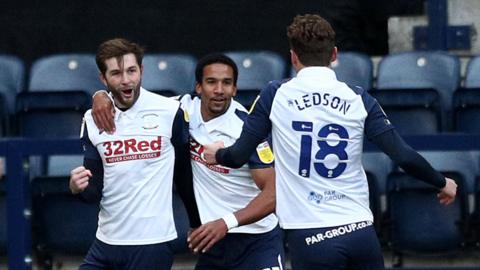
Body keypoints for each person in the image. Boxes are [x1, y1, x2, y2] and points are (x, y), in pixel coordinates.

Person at [201, 14, 458, 270]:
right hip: (359, 232)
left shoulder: (275, 95)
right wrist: (441, 181)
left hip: (311, 235)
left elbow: (238, 156)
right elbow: (402, 155)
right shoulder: (358, 98)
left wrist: (219, 154)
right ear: (334, 55)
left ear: (293, 57)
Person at [91, 53, 285, 269]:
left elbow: (273, 194)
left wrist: (226, 222)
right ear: (198, 87)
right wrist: (102, 95)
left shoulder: (246, 128)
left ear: (235, 89)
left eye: (227, 83)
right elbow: (137, 102)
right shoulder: (180, 109)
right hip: (213, 240)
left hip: (255, 240)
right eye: (211, 82)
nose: (219, 90)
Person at [69, 38, 200, 270]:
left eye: (131, 71)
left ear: (142, 70)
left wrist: (195, 222)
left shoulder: (170, 111)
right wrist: (77, 188)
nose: (126, 80)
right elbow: (93, 192)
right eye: (116, 73)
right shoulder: (92, 119)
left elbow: (184, 175)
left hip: (152, 243)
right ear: (103, 78)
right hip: (105, 243)